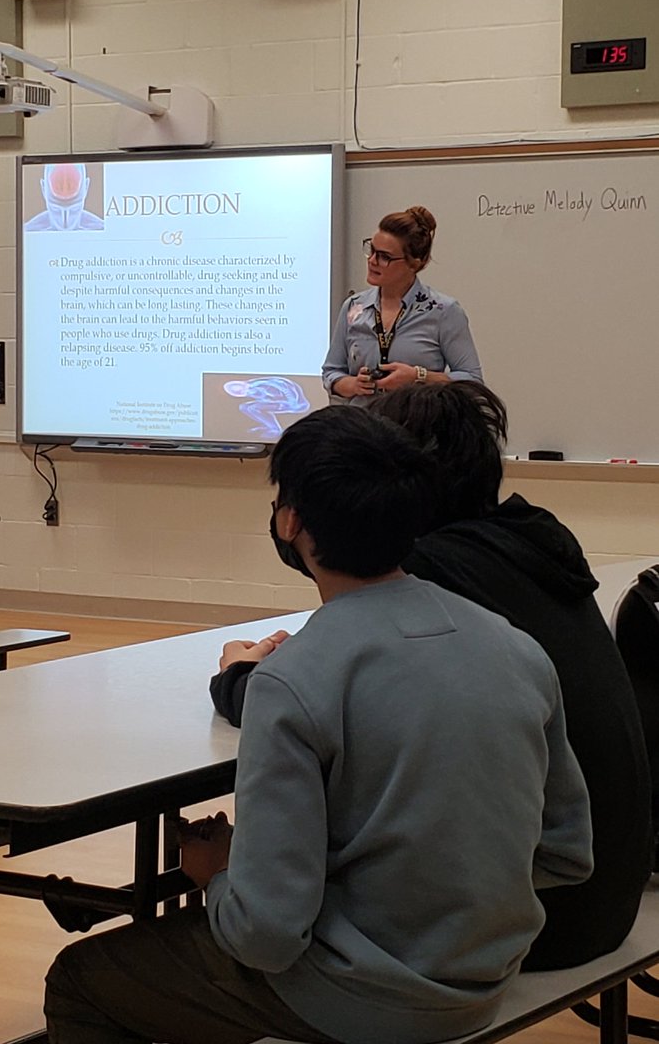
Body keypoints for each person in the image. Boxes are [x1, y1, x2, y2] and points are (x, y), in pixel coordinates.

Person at [46, 406, 592, 1044]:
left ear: (290, 522)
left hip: (358, 994)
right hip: (486, 979)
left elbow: (267, 934)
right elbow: (566, 853)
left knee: (82, 979)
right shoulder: (515, 648)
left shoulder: (292, 680)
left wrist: (220, 876)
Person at [212, 382, 651, 972]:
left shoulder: (428, 576)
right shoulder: (530, 543)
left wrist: (241, 678)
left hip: (526, 916)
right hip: (606, 879)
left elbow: (320, 701)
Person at [322, 205, 481, 401]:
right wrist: (353, 385)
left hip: (416, 427)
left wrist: (419, 377)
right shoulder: (354, 307)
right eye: (371, 250)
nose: (372, 260)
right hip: (361, 427)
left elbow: (472, 382)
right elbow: (331, 372)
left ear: (414, 263)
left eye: (384, 257)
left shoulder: (443, 311)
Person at [25, 163, 104, 231]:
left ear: (86, 187)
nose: (65, 225)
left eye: (74, 209)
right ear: (43, 188)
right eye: (56, 210)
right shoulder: (26, 231)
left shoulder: (102, 228)